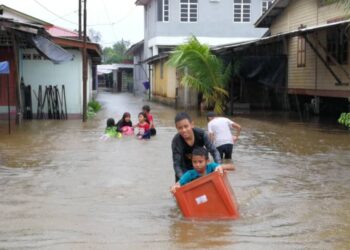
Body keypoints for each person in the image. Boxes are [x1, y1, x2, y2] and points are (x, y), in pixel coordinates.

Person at [171, 112, 221, 182]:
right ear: (176, 128)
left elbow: (214, 151)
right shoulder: (176, 141)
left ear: (192, 124)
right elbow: (177, 164)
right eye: (180, 128)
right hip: (184, 173)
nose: (184, 130)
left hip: (201, 170)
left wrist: (218, 166)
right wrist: (183, 180)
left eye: (186, 126)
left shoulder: (201, 134)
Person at [171, 147, 235, 193]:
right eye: (194, 162)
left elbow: (233, 167)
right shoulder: (190, 174)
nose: (197, 165)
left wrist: (221, 167)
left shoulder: (212, 167)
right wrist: (175, 187)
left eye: (200, 162)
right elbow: (179, 183)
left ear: (207, 161)